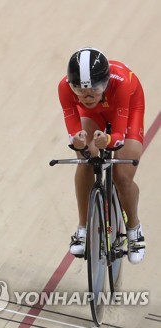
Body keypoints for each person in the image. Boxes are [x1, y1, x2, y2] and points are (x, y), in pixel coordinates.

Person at [58, 47, 145, 264]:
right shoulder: (64, 87)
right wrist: (77, 141)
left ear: (105, 83)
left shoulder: (122, 82)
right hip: (93, 115)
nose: (87, 96)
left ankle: (134, 229)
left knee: (122, 175)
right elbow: (74, 130)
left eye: (94, 89)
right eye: (79, 90)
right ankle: (82, 228)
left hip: (127, 108)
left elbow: (117, 137)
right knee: (85, 160)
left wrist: (107, 140)